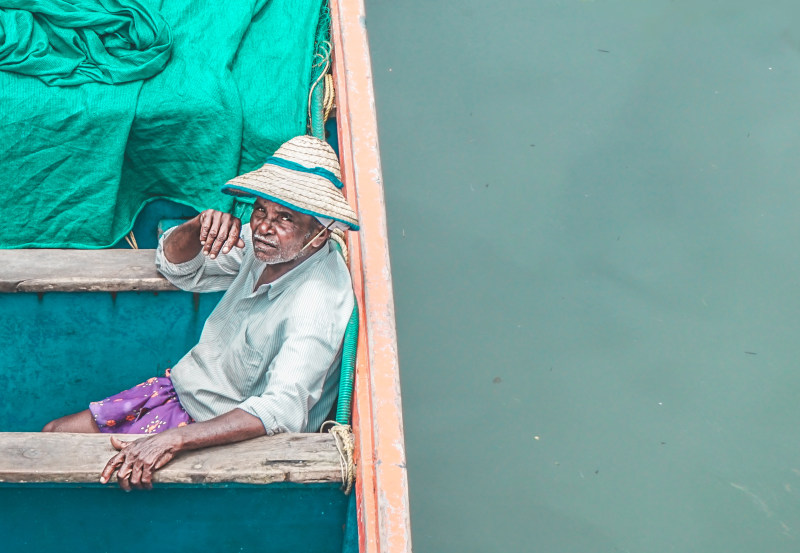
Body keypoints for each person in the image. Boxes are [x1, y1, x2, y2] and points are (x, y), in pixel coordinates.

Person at [42, 135, 360, 491]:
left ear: (319, 234)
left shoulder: (316, 303)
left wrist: (174, 440)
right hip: (175, 392)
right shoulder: (267, 247)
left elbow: (281, 410)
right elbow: (176, 266)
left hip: (212, 430)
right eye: (260, 211)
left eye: (285, 218)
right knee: (52, 434)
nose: (263, 227)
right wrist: (197, 226)